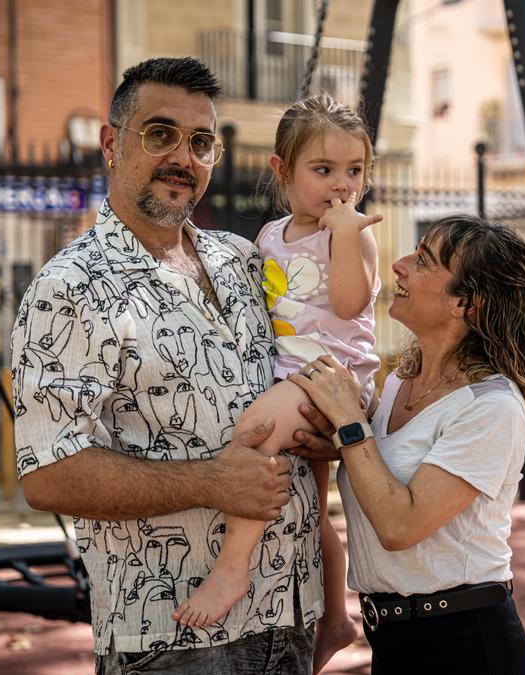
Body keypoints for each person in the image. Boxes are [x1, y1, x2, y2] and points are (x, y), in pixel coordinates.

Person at [13, 57, 328, 674]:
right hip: (172, 639)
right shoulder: (70, 289)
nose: (184, 157)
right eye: (160, 134)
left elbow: (313, 363)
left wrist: (327, 432)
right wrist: (212, 481)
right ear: (111, 144)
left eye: (201, 142)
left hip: (293, 615)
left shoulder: (244, 262)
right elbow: (47, 473)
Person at [289, 215, 525, 674]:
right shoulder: (400, 381)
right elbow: (378, 466)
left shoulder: (491, 407)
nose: (398, 266)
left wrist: (351, 424)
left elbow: (400, 525)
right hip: (396, 638)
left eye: (422, 261)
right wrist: (331, 439)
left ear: (464, 303)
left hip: (464, 645)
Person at [171, 93, 379, 670]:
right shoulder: (269, 236)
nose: (342, 185)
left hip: (331, 377)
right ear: (281, 171)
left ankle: (232, 568)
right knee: (311, 509)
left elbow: (347, 303)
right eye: (323, 170)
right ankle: (336, 618)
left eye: (354, 170)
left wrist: (343, 234)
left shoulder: (353, 233)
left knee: (256, 428)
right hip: (291, 374)